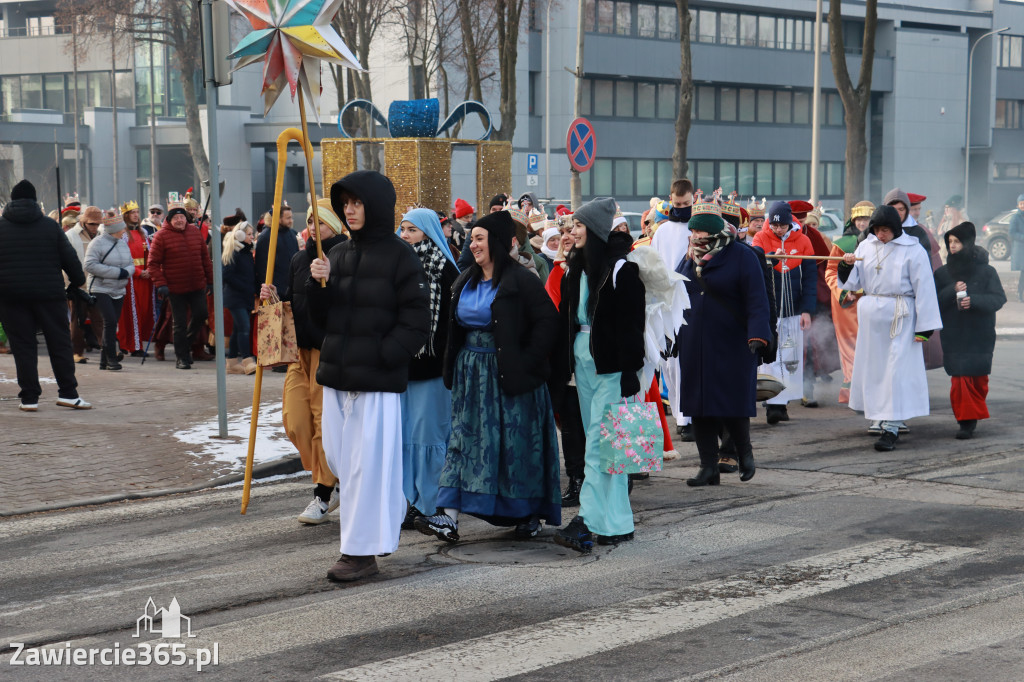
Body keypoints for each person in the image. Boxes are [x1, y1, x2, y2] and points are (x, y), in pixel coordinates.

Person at [306, 170, 429, 582]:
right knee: (342, 461)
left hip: (375, 383)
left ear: (374, 205)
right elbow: (321, 321)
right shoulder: (337, 255)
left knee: (365, 468)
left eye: (357, 202)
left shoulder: (401, 256)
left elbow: (417, 322)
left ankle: (358, 553)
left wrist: (383, 356)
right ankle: (382, 521)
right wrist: (316, 285)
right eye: (345, 203)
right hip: (338, 377)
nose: (349, 209)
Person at [416, 210, 562, 544]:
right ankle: (448, 517)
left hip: (511, 377)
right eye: (472, 238)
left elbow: (547, 323)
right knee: (462, 444)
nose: (473, 243)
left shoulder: (521, 279)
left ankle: (527, 514)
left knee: (515, 446)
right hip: (472, 376)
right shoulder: (464, 279)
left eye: (479, 238)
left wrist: (527, 361)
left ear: (495, 242)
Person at [553, 198, 645, 552]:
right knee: (611, 447)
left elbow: (633, 326)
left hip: (611, 367)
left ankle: (587, 520)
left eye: (578, 226)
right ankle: (616, 523)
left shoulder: (622, 269)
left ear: (594, 230)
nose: (571, 231)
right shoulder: (577, 268)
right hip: (584, 362)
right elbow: (567, 319)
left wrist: (629, 372)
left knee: (600, 443)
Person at [259, 198, 347, 524]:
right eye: (310, 221)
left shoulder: (344, 256)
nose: (313, 228)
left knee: (324, 422)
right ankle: (333, 473)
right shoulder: (298, 258)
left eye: (320, 222)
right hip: (300, 352)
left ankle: (323, 494)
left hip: (329, 351)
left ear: (334, 226)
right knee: (295, 419)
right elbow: (293, 300)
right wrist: (273, 299)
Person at [674, 203, 771, 486]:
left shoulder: (742, 255)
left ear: (715, 231)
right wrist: (671, 334)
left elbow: (757, 299)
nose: (694, 234)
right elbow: (677, 293)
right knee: (699, 404)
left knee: (732, 402)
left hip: (732, 340)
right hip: (695, 339)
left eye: (700, 229)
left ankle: (745, 453)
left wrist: (758, 335)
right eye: (692, 229)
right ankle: (708, 467)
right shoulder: (689, 256)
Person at [838, 206, 942, 451]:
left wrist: (925, 327)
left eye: (885, 230)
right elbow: (854, 283)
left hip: (900, 315)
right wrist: (846, 265)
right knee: (874, 369)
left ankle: (893, 425)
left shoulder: (913, 250)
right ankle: (877, 416)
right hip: (872, 315)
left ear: (895, 229)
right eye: (876, 229)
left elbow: (925, 288)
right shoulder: (866, 247)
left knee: (895, 371)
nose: (880, 234)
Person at [0, 180, 91, 410]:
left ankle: (29, 398)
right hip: (50, 295)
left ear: (11, 200)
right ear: (34, 200)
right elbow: (69, 258)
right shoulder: (50, 227)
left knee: (23, 347)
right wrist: (79, 282)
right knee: (59, 344)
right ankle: (68, 393)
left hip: (11, 296)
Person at [396, 208, 460, 529]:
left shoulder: (445, 270)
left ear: (428, 233)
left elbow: (451, 326)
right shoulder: (399, 268)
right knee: (407, 438)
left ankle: (432, 503)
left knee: (429, 436)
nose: (405, 235)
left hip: (434, 371)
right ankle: (410, 501)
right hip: (405, 369)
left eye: (412, 230)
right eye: (403, 229)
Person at [933, 222, 1005, 439]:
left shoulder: (987, 271)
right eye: (950, 242)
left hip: (979, 334)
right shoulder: (943, 273)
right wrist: (951, 290)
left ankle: (971, 416)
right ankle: (965, 421)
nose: (953, 246)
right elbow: (933, 302)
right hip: (953, 333)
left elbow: (998, 298)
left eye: (957, 242)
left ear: (968, 243)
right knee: (959, 380)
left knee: (978, 380)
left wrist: (973, 301)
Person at [751, 201, 816, 424]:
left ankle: (783, 402)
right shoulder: (760, 237)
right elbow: (756, 265)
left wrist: (807, 310)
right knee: (771, 357)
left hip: (794, 308)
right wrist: (771, 257)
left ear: (790, 223)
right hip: (770, 308)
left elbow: (809, 280)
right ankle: (772, 403)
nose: (778, 230)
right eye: (775, 226)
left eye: (783, 226)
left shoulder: (804, 241)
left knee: (790, 356)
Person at [543, 216, 588, 507]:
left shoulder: (597, 267)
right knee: (571, 421)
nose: (567, 236)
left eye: (572, 231)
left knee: (600, 419)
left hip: (595, 357)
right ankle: (576, 479)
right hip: (567, 358)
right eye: (562, 233)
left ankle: (618, 475)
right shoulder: (557, 273)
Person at [651, 179, 694, 440]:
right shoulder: (661, 232)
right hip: (666, 303)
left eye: (686, 204)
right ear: (670, 201)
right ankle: (680, 413)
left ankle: (687, 415)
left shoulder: (697, 228)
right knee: (670, 363)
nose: (682, 208)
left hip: (692, 302)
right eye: (677, 204)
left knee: (688, 361)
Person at [148, 203, 212, 369]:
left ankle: (186, 344)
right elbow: (153, 264)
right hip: (174, 288)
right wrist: (160, 283)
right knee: (180, 323)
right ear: (170, 220)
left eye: (182, 217)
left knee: (201, 314)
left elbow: (205, 258)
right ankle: (181, 358)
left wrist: (210, 280)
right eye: (176, 218)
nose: (179, 220)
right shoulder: (161, 236)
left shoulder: (195, 233)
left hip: (197, 284)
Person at [825, 201, 874, 404]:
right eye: (859, 219)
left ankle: (872, 388)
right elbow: (830, 271)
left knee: (872, 344)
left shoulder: (880, 242)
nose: (862, 223)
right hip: (848, 304)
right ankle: (852, 389)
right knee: (850, 345)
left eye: (867, 219)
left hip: (873, 301)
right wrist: (843, 292)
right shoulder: (841, 244)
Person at [83, 211, 135, 371]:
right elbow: (89, 265)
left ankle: (103, 361)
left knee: (111, 324)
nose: (124, 231)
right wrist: (119, 273)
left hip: (118, 289)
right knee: (110, 322)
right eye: (122, 229)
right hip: (101, 288)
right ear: (114, 229)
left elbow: (131, 263)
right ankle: (112, 359)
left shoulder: (122, 243)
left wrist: (128, 272)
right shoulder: (97, 243)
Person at [66, 206, 104, 363]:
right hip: (77, 285)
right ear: (83, 222)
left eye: (97, 224)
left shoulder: (101, 235)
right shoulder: (70, 236)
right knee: (77, 320)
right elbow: (66, 262)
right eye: (92, 224)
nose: (95, 227)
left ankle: (107, 349)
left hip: (96, 284)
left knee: (100, 319)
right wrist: (70, 285)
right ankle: (76, 351)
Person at [116, 201, 154, 357]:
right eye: (133, 212)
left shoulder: (143, 233)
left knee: (144, 311)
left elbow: (150, 254)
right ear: (126, 216)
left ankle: (136, 343)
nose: (136, 215)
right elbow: (123, 258)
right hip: (131, 279)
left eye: (137, 212)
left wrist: (150, 270)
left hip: (146, 279)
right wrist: (138, 272)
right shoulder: (123, 235)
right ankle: (132, 346)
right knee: (132, 313)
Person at [221, 222, 258, 375]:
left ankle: (231, 363)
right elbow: (227, 275)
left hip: (245, 296)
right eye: (249, 234)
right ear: (240, 235)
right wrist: (245, 287)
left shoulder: (247, 252)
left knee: (237, 329)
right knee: (244, 328)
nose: (252, 237)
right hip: (235, 297)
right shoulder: (233, 252)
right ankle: (247, 360)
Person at [255, 204, 298, 298]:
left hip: (292, 289)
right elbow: (261, 267)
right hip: (274, 291)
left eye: (291, 217)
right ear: (278, 219)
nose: (291, 221)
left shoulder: (292, 234)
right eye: (288, 218)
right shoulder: (265, 237)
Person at [1010, 194, 1024, 302]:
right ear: (1018, 205)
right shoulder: (1015, 217)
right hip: (1020, 250)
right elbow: (1012, 233)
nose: (1023, 205)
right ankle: (1020, 294)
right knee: (1022, 274)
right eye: (1021, 203)